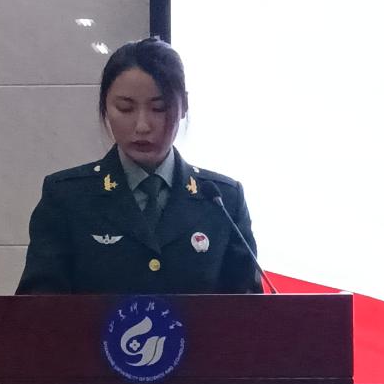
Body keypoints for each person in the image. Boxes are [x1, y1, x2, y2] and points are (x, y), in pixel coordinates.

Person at [16, 37, 262, 295]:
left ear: (184, 106)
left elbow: (249, 312)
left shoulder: (223, 200)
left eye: (159, 108)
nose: (142, 126)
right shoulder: (67, 197)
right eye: (125, 108)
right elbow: (37, 310)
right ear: (105, 106)